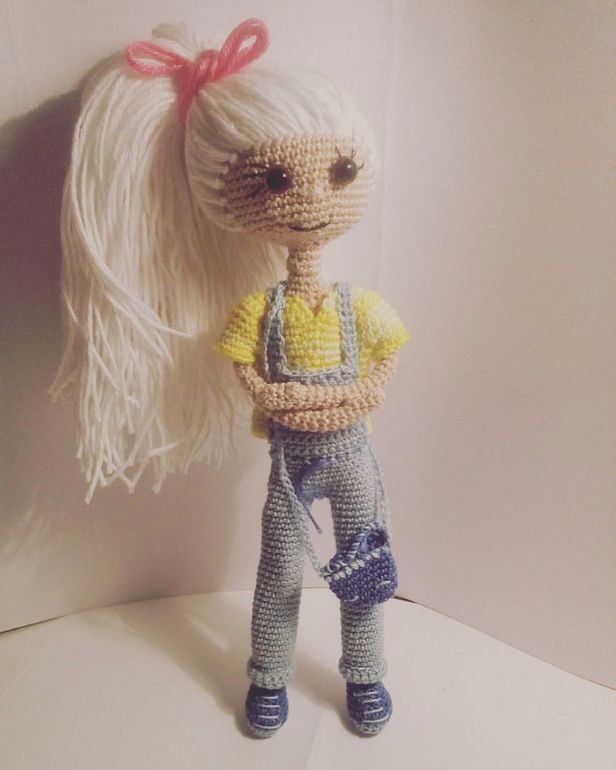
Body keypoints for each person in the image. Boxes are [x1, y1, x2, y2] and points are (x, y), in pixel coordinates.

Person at [53, 18, 409, 737]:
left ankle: (365, 671)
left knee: (365, 565)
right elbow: (243, 362)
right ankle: (268, 674)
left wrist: (369, 389)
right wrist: (267, 392)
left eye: (341, 172)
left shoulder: (358, 307)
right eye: (276, 179)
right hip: (290, 467)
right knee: (278, 572)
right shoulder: (258, 310)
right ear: (230, 199)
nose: (313, 199)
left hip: (353, 456)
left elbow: (389, 350)